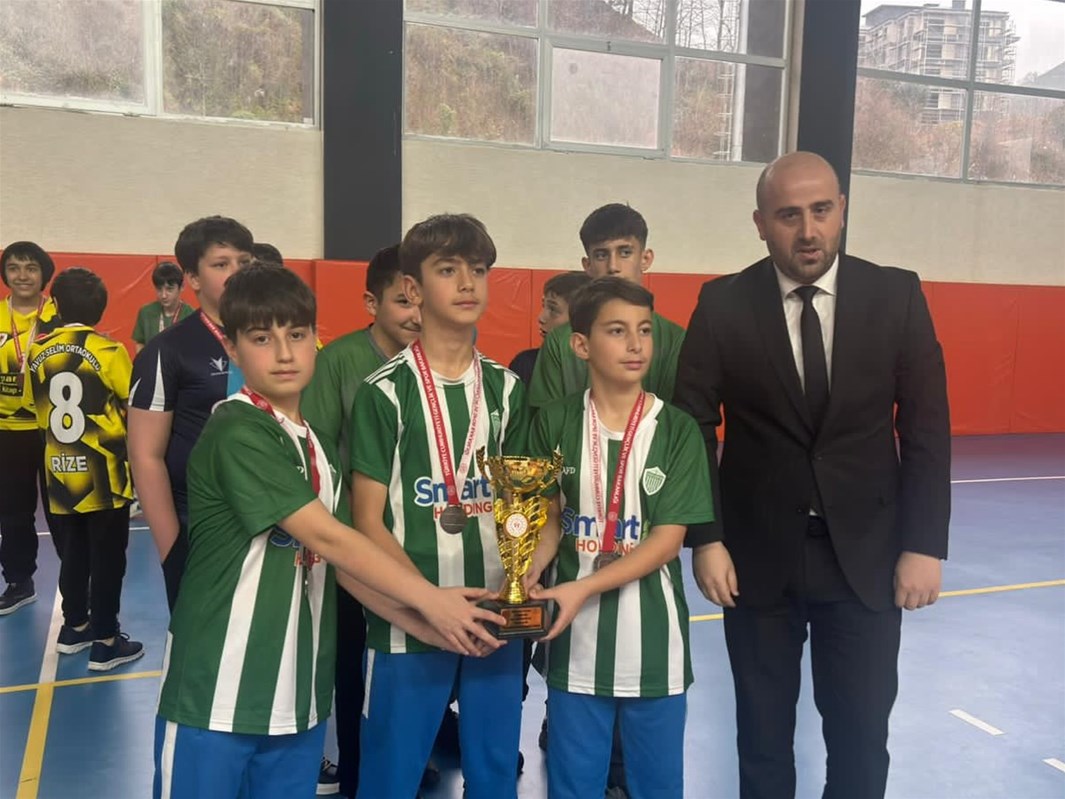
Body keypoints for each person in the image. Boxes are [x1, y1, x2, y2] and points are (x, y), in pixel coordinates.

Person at [153, 263, 504, 799]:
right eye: (262, 339)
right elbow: (331, 538)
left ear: (316, 339)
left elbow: (345, 569)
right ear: (231, 347)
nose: (284, 353)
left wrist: (431, 629)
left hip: (299, 700)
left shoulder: (315, 445)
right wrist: (434, 600)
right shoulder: (237, 428)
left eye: (297, 335)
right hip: (216, 692)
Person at [674, 151, 950, 799]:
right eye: (788, 215)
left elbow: (926, 428)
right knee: (762, 740)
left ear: (842, 211)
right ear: (760, 223)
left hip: (867, 558)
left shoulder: (896, 296)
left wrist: (923, 544)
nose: (808, 230)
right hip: (754, 560)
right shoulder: (722, 303)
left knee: (860, 738)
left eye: (821, 210)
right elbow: (690, 426)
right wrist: (705, 538)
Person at [350, 214, 532, 799]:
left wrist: (521, 580)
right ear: (413, 287)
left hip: (492, 621)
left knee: (495, 774)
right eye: (448, 270)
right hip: (410, 621)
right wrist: (427, 603)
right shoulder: (384, 392)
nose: (467, 282)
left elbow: (521, 507)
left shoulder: (507, 390)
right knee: (391, 776)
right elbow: (366, 521)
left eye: (477, 269)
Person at [523, 277, 713, 798]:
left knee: (657, 787)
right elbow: (549, 517)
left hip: (655, 648)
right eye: (617, 331)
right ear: (580, 345)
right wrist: (532, 566)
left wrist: (582, 587)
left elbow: (666, 541)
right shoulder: (555, 422)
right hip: (574, 644)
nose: (635, 345)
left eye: (644, 331)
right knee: (572, 786)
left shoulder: (677, 430)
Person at [300, 244, 421, 798]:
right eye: (403, 301)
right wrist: (350, 536)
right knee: (355, 667)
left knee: (417, 666)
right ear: (373, 303)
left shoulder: (439, 365)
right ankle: (355, 775)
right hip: (356, 548)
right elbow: (320, 457)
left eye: (422, 301)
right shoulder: (340, 362)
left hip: (424, 546)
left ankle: (410, 762)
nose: (416, 314)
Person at [128, 215, 254, 612]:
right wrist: (172, 550)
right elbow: (145, 456)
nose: (237, 272)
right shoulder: (166, 351)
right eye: (221, 264)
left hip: (271, 520)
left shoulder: (274, 340)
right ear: (193, 279)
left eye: (244, 262)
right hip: (198, 526)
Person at [28, 267, 145, 670]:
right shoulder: (110, 351)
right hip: (105, 472)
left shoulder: (37, 350)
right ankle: (106, 640)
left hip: (59, 470)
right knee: (109, 557)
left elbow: (36, 408)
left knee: (73, 552)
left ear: (56, 305)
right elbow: (133, 406)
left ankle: (74, 626)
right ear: (100, 309)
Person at [527, 204, 685, 409]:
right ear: (587, 265)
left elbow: (679, 421)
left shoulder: (677, 340)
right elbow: (544, 421)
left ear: (645, 259)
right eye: (601, 255)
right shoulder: (559, 341)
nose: (613, 267)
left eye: (625, 252)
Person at [0, 241, 59, 615]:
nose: (22, 275)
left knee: (63, 510)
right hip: (7, 430)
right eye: (14, 267)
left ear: (44, 274)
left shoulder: (58, 316)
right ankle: (19, 581)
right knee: (13, 512)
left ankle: (79, 581)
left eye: (31, 267)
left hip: (53, 430)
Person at [509, 271, 590, 386]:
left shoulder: (601, 368)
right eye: (544, 306)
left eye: (553, 310)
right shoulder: (526, 363)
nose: (541, 318)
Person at [131, 261, 195, 353]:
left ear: (182, 287)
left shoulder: (191, 315)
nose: (163, 295)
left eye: (169, 289)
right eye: (159, 289)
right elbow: (140, 342)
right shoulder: (146, 312)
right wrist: (143, 359)